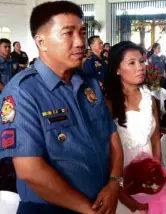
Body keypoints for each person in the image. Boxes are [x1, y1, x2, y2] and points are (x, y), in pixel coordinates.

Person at [0, 2, 123, 213]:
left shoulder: (89, 85)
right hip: (51, 208)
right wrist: (87, 209)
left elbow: (111, 136)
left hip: (101, 201)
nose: (79, 42)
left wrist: (114, 182)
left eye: (82, 33)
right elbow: (30, 170)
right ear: (41, 41)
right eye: (68, 33)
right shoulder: (22, 92)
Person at [103, 41, 163, 214]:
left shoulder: (149, 99)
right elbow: (105, 153)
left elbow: (156, 138)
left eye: (142, 61)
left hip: (148, 178)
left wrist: (156, 171)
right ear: (117, 69)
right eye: (132, 63)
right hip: (121, 180)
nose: (140, 67)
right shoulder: (108, 103)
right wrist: (120, 192)